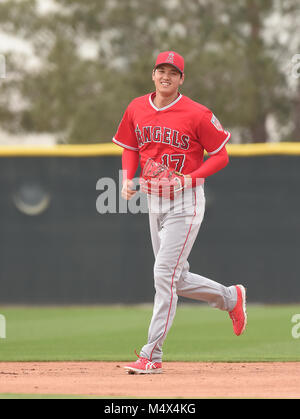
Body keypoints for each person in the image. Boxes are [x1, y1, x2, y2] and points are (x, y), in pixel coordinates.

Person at [112, 51, 247, 374]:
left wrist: (191, 177)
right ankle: (230, 298)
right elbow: (130, 147)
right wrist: (128, 177)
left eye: (173, 72)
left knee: (163, 275)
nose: (166, 77)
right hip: (154, 198)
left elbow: (221, 155)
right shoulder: (136, 107)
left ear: (182, 79)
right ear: (153, 74)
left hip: (185, 201)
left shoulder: (197, 113)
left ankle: (151, 354)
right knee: (175, 276)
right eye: (161, 70)